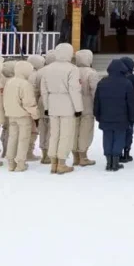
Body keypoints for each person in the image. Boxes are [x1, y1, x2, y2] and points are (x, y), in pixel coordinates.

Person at [40, 43, 83, 175]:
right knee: (66, 134)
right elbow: (74, 90)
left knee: (54, 134)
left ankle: (53, 163)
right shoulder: (72, 69)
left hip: (52, 103)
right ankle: (62, 163)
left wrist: (46, 107)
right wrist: (78, 108)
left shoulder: (47, 69)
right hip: (67, 104)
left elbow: (44, 90)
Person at [94, 59, 134, 172]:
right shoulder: (127, 83)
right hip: (122, 118)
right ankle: (115, 162)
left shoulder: (102, 82)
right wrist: (132, 117)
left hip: (105, 117)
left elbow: (97, 101)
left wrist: (97, 115)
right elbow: (131, 102)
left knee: (107, 138)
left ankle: (109, 162)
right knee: (119, 138)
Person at [3, 61, 40, 172]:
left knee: (12, 138)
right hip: (23, 116)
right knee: (23, 139)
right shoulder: (25, 84)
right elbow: (29, 103)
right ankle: (20, 163)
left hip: (11, 115)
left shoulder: (9, 82)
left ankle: (10, 163)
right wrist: (36, 115)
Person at [73, 50, 99, 167]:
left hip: (72, 106)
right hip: (87, 106)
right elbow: (95, 91)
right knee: (85, 131)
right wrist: (97, 106)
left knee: (74, 131)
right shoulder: (91, 73)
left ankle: (75, 157)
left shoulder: (72, 71)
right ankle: (83, 157)